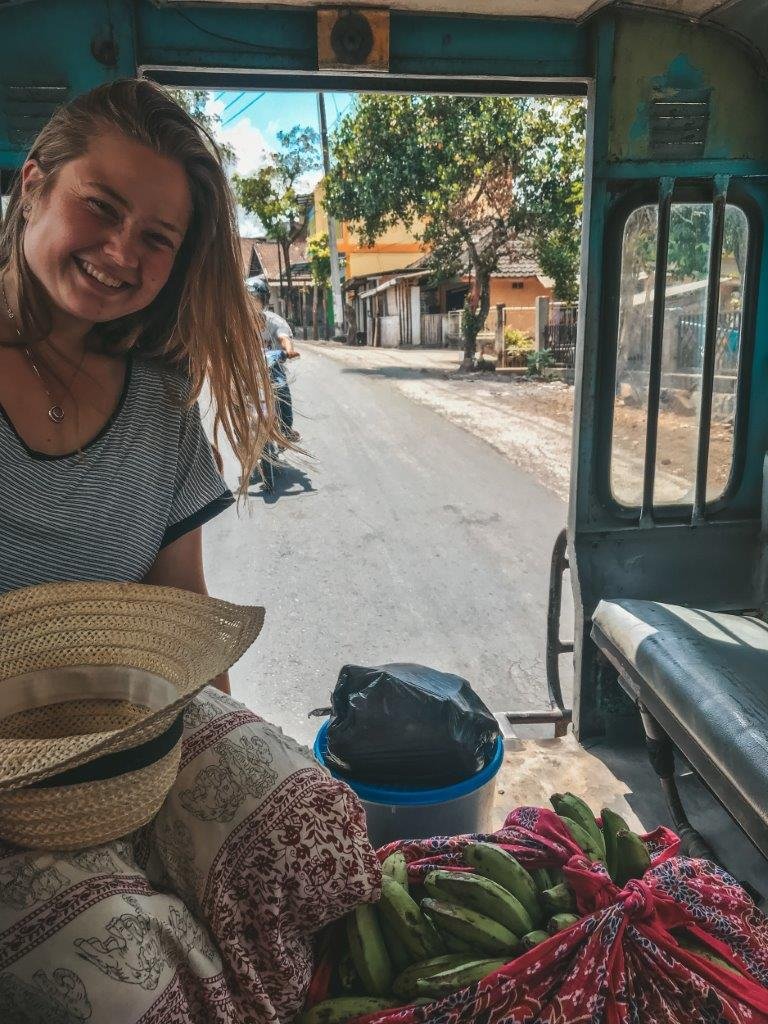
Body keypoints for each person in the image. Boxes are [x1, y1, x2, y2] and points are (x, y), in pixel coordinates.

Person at [0, 79, 379, 1023]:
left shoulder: (159, 406)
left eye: (158, 238)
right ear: (34, 186)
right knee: (132, 986)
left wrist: (230, 755)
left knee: (317, 830)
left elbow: (184, 626)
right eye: (102, 206)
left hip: (133, 727)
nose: (122, 251)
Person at [246, 275, 301, 443]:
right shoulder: (238, 323)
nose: (251, 304)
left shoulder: (275, 321)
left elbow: (284, 337)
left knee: (282, 388)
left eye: (255, 299)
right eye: (247, 300)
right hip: (247, 367)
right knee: (235, 393)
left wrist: (289, 351)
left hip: (272, 366)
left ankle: (286, 429)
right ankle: (239, 425)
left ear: (263, 301)